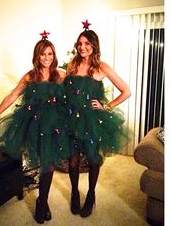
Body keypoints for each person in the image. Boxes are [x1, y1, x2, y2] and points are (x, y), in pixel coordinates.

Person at [0, 31, 70, 224]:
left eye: (50, 54)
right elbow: (12, 96)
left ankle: (42, 201)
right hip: (34, 124)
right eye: (43, 54)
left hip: (54, 125)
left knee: (48, 165)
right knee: (41, 163)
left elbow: (74, 95)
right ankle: (43, 199)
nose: (47, 58)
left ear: (54, 55)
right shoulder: (30, 76)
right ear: (37, 56)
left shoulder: (60, 75)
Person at [64, 20, 131, 218]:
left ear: (94, 46)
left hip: (92, 120)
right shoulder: (72, 65)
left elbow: (126, 91)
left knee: (93, 159)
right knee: (73, 161)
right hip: (71, 119)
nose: (83, 47)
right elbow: (68, 91)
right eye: (80, 43)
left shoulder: (101, 67)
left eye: (87, 44)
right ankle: (75, 193)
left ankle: (91, 195)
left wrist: (106, 106)